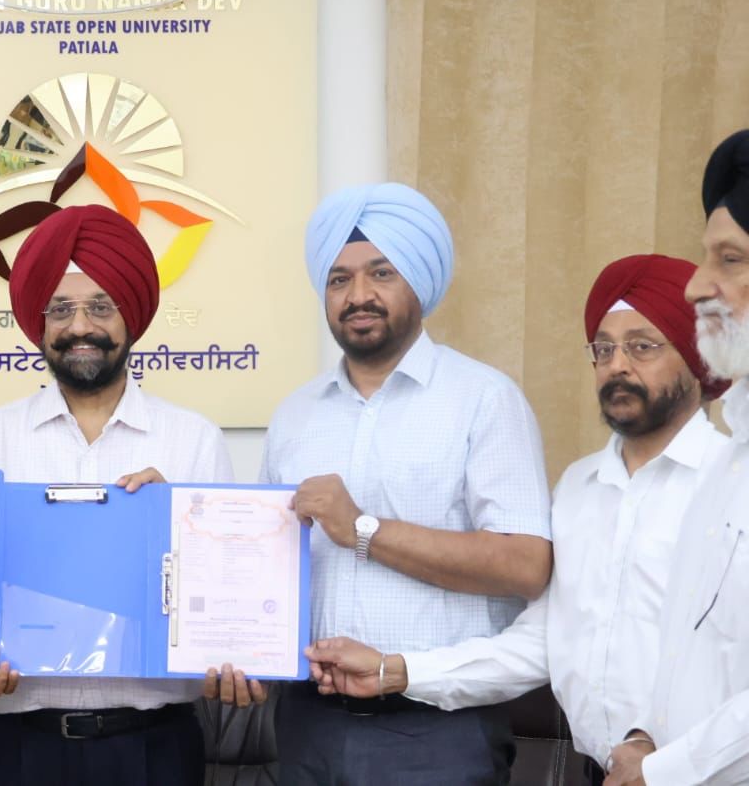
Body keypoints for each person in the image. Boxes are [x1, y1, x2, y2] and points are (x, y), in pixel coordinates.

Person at [305, 254, 731, 782]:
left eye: (642, 346)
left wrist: (667, 765)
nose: (618, 365)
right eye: (603, 349)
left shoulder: (734, 486)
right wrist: (393, 671)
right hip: (604, 772)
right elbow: (540, 644)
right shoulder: (580, 488)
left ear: (697, 357)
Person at [262, 183, 554, 784]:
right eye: (339, 279)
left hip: (436, 729)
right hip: (308, 725)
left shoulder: (484, 400)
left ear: (419, 280)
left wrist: (362, 529)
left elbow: (525, 565)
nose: (358, 296)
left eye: (381, 273)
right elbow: (265, 561)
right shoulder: (295, 415)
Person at [0, 203, 237, 786]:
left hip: (154, 749)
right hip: (20, 748)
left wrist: (182, 526)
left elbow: (228, 591)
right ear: (39, 324)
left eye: (101, 307)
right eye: (60, 308)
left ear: (131, 317)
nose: (80, 326)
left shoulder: (194, 440)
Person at [603, 129, 749, 785]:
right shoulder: (730, 458)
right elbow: (695, 651)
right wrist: (648, 736)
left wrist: (663, 770)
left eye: (730, 259)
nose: (696, 286)